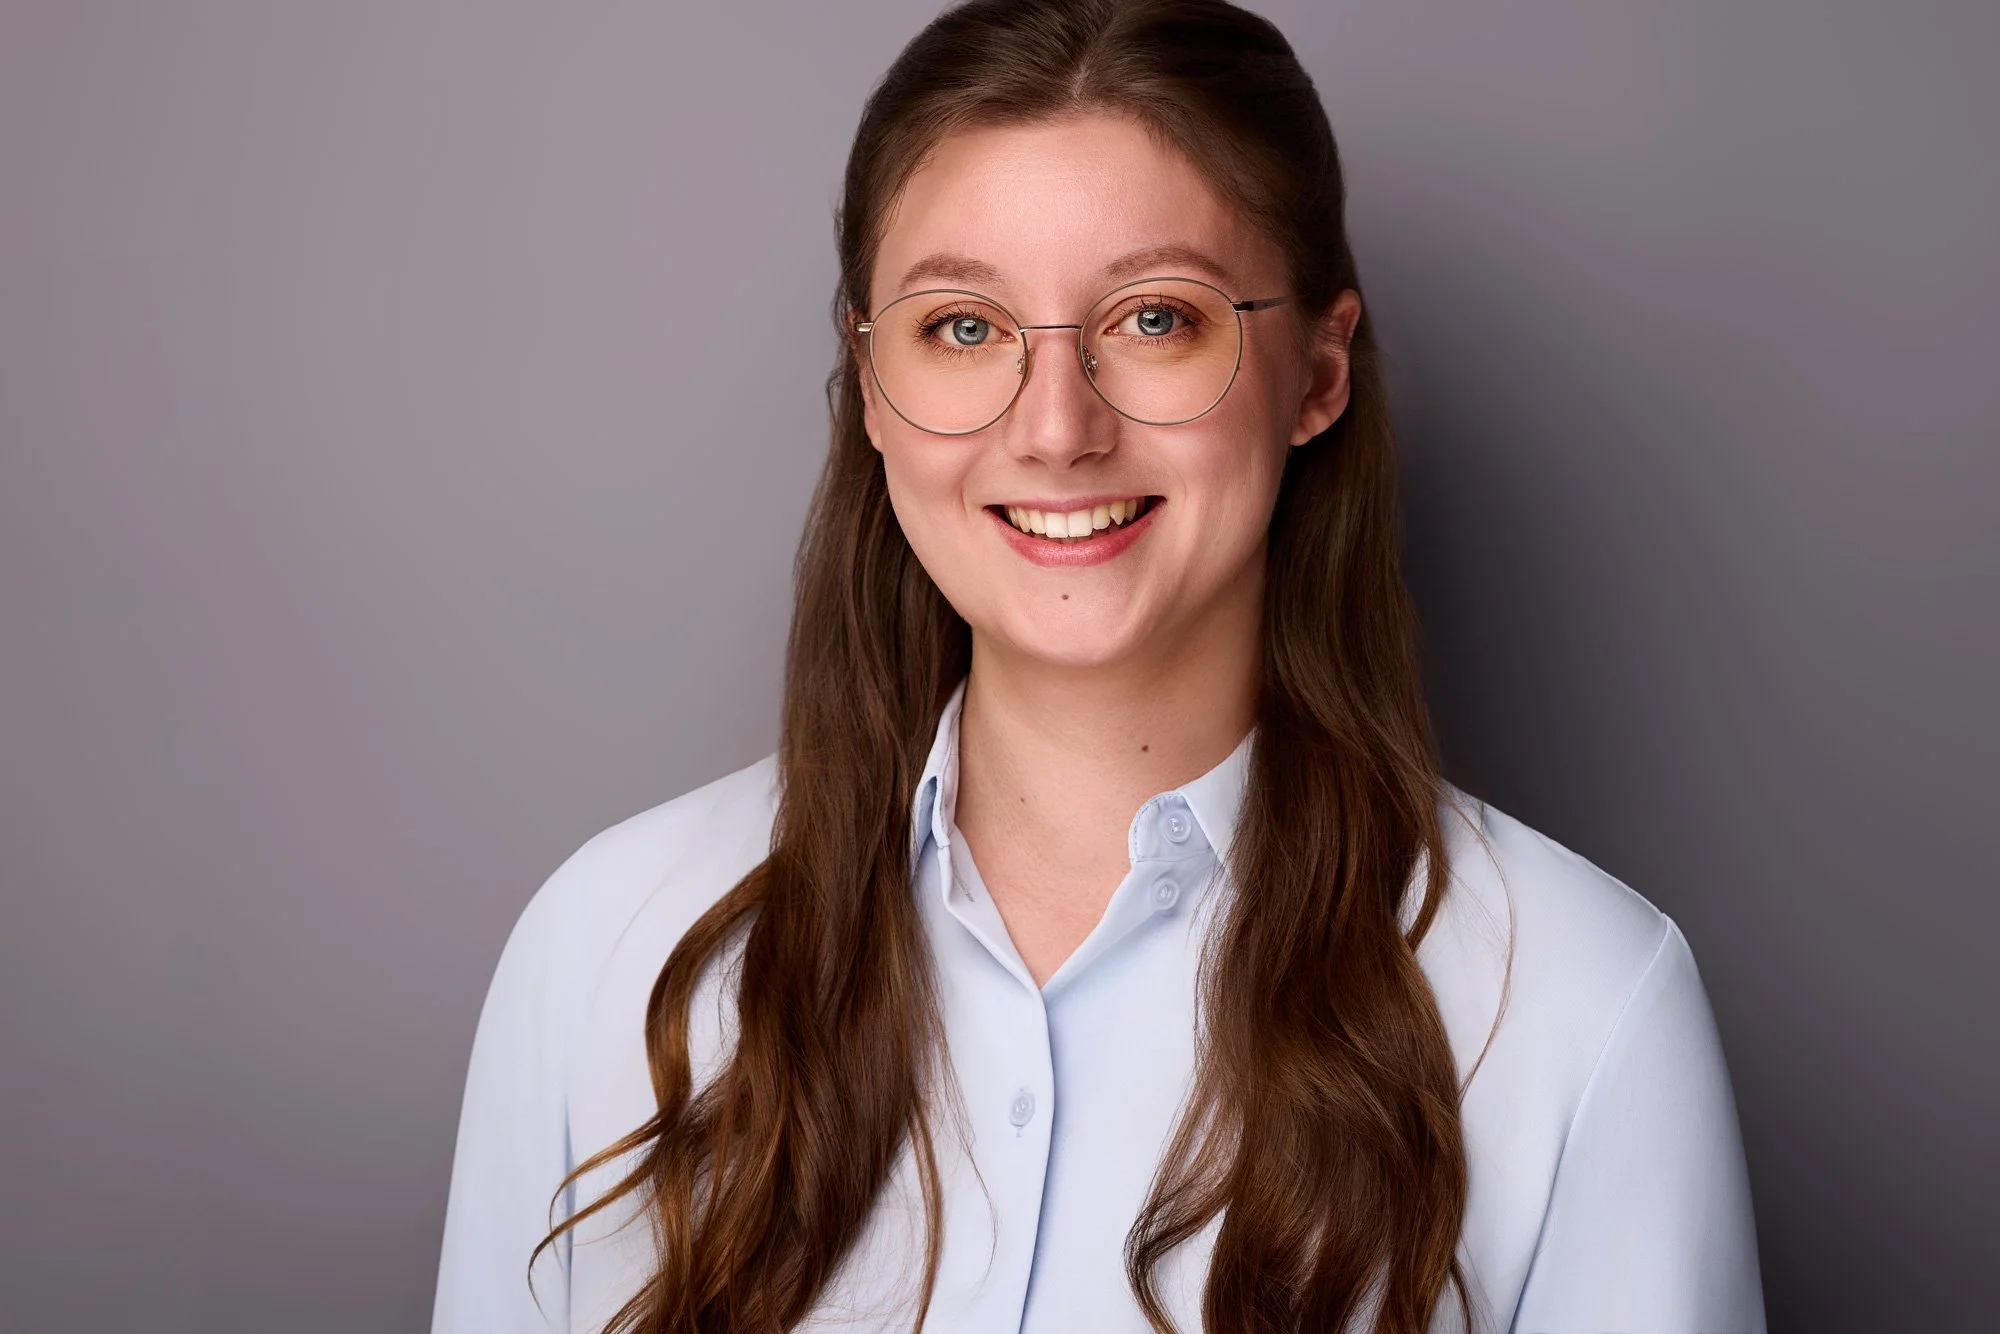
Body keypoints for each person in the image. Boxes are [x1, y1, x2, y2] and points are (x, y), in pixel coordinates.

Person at [431, 1, 1765, 1330]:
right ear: (869, 381)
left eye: (1155, 319)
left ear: (1319, 367)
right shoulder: (601, 951)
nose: (1057, 428)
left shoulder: (1587, 1014)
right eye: (963, 327)